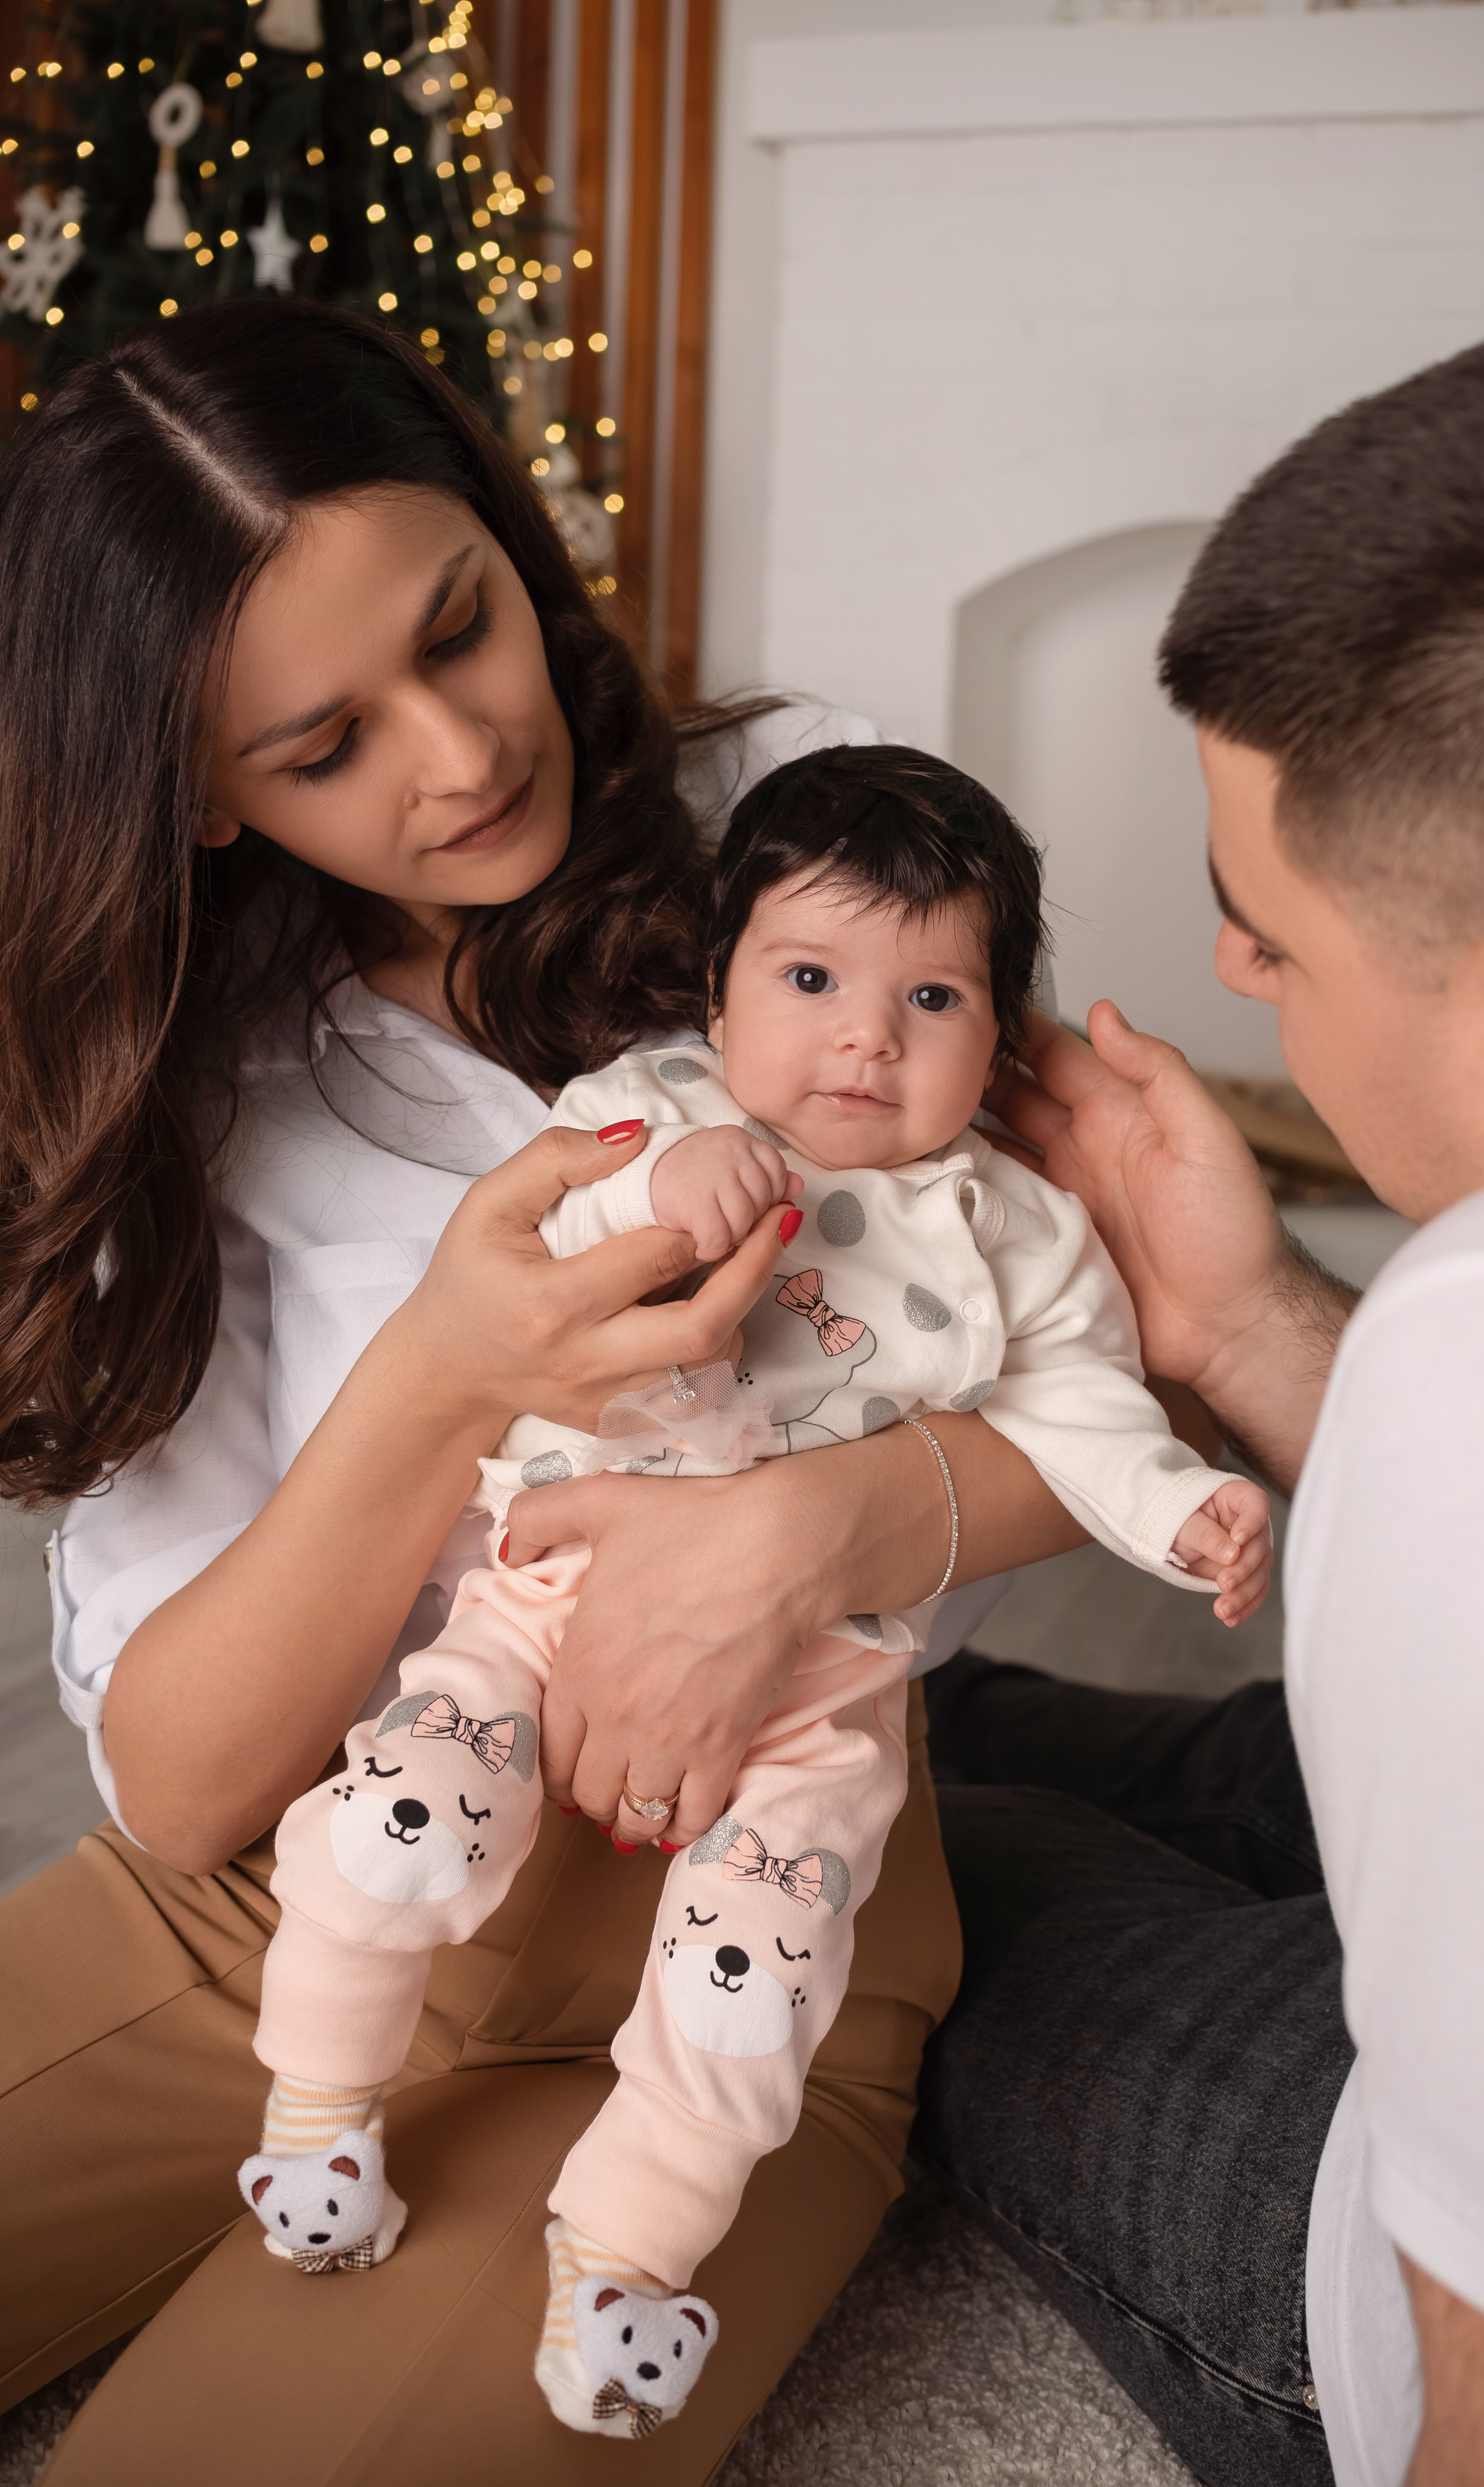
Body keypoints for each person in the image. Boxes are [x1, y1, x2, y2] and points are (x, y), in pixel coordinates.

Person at [0, 301, 1089, 2485]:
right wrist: (442, 1370)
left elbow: (1105, 1352)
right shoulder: (176, 1085)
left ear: (511, 535)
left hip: (731, 1930)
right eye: (323, 748)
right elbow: (189, 1789)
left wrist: (799, 1537)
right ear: (197, 802)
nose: (460, 752)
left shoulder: (817, 845)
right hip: (284, 1888)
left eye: (461, 626)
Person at [230, 742, 1271, 2441]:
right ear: (718, 989)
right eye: (811, 977)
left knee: (762, 1973)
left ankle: (626, 2259)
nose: (867, 1034)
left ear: (1002, 1037)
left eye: (933, 994)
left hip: (829, 1679)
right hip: (554, 1582)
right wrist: (655, 1189)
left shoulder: (1014, 1225)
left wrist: (1186, 1506)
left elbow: (1080, 1401)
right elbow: (536, 1257)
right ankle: (319, 2103)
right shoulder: (650, 1109)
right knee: (408, 1813)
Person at [916, 296, 1484, 2487]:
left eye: (1272, 932)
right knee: (1037, 1734)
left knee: (926, 1888)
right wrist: (1245, 1331)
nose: (1235, 972)